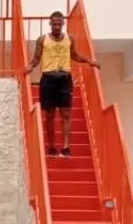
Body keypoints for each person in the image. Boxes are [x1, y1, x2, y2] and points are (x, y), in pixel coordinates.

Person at [21, 9, 100, 157]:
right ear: (50, 24)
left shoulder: (69, 38)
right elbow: (37, 59)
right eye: (54, 24)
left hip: (64, 78)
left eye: (59, 24)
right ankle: (51, 147)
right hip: (48, 79)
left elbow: (74, 55)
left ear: (63, 24)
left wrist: (90, 62)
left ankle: (66, 147)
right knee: (50, 114)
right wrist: (29, 68)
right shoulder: (42, 39)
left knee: (66, 113)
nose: (57, 27)